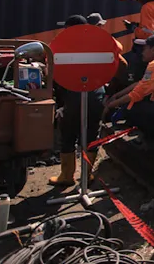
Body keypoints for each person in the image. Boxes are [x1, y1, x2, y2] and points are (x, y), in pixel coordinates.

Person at [49, 15, 105, 186]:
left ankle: (67, 176)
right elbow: (117, 64)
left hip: (73, 95)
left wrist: (59, 102)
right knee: (91, 136)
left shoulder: (62, 45)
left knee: (68, 135)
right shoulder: (99, 43)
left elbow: (54, 72)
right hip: (96, 93)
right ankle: (86, 177)